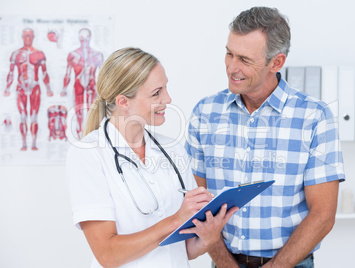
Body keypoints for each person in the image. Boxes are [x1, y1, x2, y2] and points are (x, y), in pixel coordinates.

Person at [185, 7, 345, 268]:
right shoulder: (205, 112)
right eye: (229, 53)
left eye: (245, 60)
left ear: (277, 62)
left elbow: (323, 215)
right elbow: (197, 205)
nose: (232, 67)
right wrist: (226, 264)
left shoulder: (314, 117)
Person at [66, 47, 238, 268]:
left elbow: (184, 249)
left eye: (166, 88)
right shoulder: (88, 154)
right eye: (156, 93)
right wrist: (176, 219)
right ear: (123, 102)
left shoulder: (172, 149)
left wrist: (208, 236)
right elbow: (108, 255)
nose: (168, 98)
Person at [3, 28, 53, 151]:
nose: (28, 38)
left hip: (35, 87)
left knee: (34, 116)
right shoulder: (16, 54)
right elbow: (11, 73)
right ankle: (24, 144)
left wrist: (48, 89)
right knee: (23, 116)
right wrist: (7, 88)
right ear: (22, 37)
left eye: (30, 36)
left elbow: (45, 73)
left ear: (33, 37)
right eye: (25, 35)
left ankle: (34, 143)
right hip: (21, 88)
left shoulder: (39, 54)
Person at [61, 28, 103, 139]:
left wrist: (102, 91)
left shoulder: (97, 55)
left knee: (91, 111)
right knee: (78, 110)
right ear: (79, 38)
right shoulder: (73, 55)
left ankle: (89, 135)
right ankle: (80, 135)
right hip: (78, 85)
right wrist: (64, 88)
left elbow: (102, 75)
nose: (84, 40)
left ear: (90, 38)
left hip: (92, 85)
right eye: (82, 37)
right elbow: (68, 73)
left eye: (86, 37)